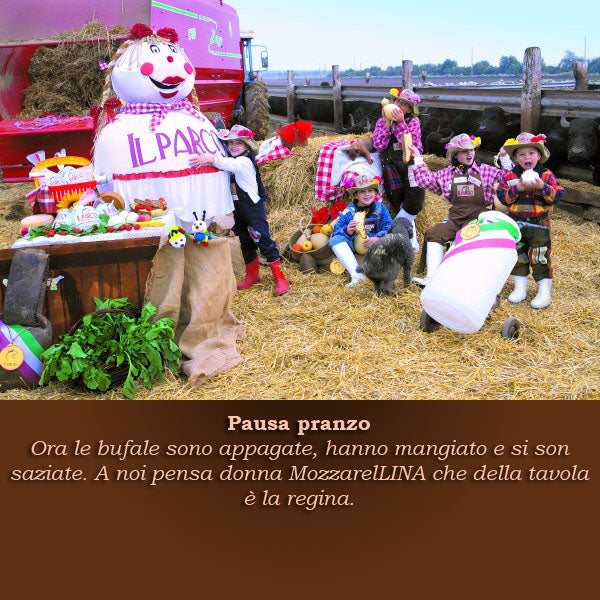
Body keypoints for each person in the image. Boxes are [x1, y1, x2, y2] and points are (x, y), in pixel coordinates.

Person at [189, 124, 290, 296]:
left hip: (252, 208)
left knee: (263, 239)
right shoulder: (235, 159)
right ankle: (252, 275)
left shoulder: (244, 161)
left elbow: (226, 163)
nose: (233, 146)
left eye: (238, 143)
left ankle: (280, 278)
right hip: (239, 208)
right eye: (230, 143)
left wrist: (209, 158)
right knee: (245, 240)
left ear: (247, 146)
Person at [408, 133, 513, 285]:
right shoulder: (446, 174)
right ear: (456, 155)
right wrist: (418, 158)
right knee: (435, 234)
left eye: (471, 150)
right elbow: (424, 180)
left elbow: (508, 178)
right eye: (464, 151)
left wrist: (504, 158)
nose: (469, 154)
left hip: (479, 218)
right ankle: (432, 278)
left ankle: (469, 280)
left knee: (467, 238)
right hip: (456, 217)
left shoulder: (486, 170)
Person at [495, 132, 564, 309]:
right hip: (516, 223)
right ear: (515, 158)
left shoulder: (546, 175)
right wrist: (517, 188)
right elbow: (502, 198)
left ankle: (544, 291)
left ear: (539, 155)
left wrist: (542, 187)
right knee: (518, 254)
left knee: (539, 255)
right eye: (522, 154)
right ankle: (520, 288)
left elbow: (557, 195)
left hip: (538, 224)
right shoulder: (511, 177)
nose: (527, 157)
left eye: (531, 153)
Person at [371, 88, 424, 250]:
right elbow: (379, 145)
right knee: (399, 202)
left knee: (414, 201)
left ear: (409, 110)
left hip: (410, 166)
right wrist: (387, 126)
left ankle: (392, 233)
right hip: (391, 167)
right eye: (398, 101)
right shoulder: (382, 122)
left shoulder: (413, 122)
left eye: (404, 104)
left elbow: (413, 146)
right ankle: (411, 241)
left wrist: (400, 124)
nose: (399, 105)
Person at [328, 174, 392, 287]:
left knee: (391, 241)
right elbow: (336, 230)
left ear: (376, 193)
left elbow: (389, 226)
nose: (367, 194)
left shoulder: (381, 208)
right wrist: (348, 231)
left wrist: (378, 237)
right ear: (355, 195)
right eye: (362, 191)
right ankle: (357, 275)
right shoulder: (349, 211)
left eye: (370, 190)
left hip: (376, 244)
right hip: (355, 245)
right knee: (335, 240)